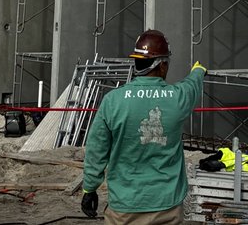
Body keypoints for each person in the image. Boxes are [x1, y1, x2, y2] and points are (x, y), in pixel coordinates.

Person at [81, 29, 206, 223]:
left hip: (125, 207)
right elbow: (192, 85)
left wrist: (90, 188)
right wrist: (198, 71)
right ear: (162, 65)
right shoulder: (178, 98)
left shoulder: (113, 101)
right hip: (167, 207)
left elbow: (96, 149)